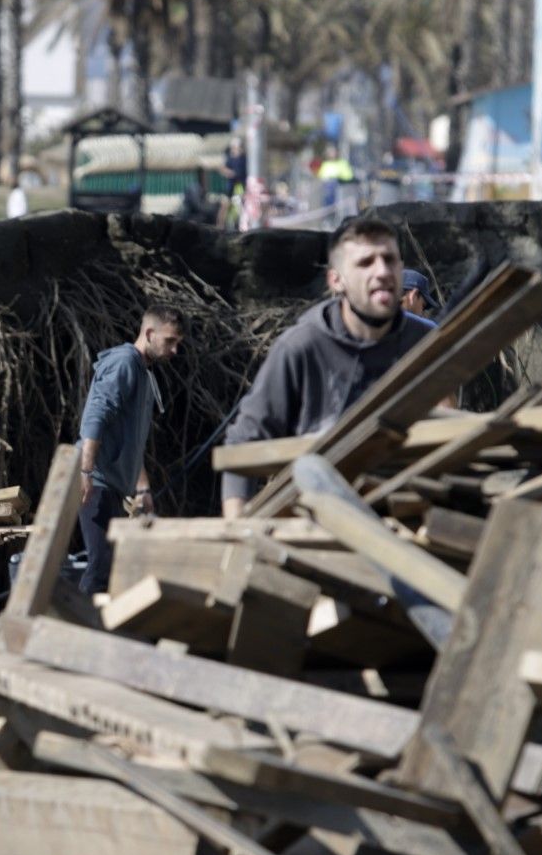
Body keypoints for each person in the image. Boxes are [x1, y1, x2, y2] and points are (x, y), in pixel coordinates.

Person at [220, 216, 438, 517]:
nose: (382, 271)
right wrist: (237, 527)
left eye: (390, 260)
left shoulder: (426, 342)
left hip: (406, 514)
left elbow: (446, 422)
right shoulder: (302, 346)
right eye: (365, 263)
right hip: (319, 521)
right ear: (336, 280)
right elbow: (244, 441)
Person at [76, 305, 186, 594]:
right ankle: (73, 634)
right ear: (149, 333)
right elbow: (97, 415)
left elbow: (131, 441)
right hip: (95, 481)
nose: (174, 350)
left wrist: (143, 490)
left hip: (114, 487)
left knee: (113, 569)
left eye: (178, 344)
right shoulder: (125, 362)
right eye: (170, 341)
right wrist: (85, 471)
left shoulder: (144, 374)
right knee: (100, 567)